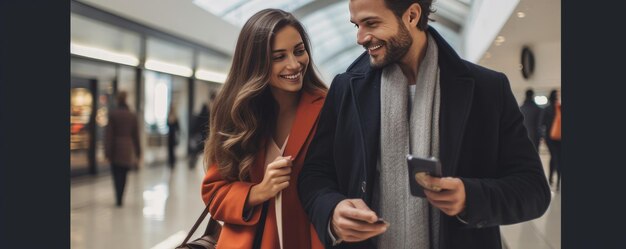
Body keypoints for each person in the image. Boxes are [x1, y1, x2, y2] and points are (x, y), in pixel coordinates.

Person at [297, 1, 551, 248]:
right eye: (356, 26)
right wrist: (332, 210)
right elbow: (315, 174)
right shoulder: (346, 88)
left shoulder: (487, 89)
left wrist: (469, 197)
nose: (361, 38)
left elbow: (533, 191)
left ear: (412, 15)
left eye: (371, 23)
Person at [200, 9, 327, 249]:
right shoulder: (237, 113)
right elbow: (214, 193)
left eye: (299, 51)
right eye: (278, 56)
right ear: (256, 63)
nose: (294, 64)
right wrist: (258, 191)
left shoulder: (328, 108)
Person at [105, 91, 141, 207]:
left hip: (115, 148)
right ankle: (121, 197)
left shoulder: (113, 114)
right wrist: (138, 152)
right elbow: (136, 136)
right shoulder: (132, 115)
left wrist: (107, 152)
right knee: (124, 175)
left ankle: (118, 197)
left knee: (116, 174)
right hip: (127, 149)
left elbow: (109, 135)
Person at [188, 92, 215, 169]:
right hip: (201, 140)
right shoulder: (204, 111)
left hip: (207, 142)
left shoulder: (213, 113)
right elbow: (198, 126)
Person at [541, 89, 561, 190]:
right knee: (558, 157)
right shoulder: (559, 108)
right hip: (559, 138)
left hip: (550, 138)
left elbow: (542, 124)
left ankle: (550, 179)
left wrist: (543, 137)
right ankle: (557, 182)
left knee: (554, 157)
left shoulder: (546, 109)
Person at [167, 104, 180, 169]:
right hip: (169, 135)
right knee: (169, 149)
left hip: (173, 135)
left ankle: (173, 162)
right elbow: (167, 124)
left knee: (173, 149)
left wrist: (173, 122)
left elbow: (178, 127)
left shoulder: (175, 117)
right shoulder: (169, 116)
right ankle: (170, 162)